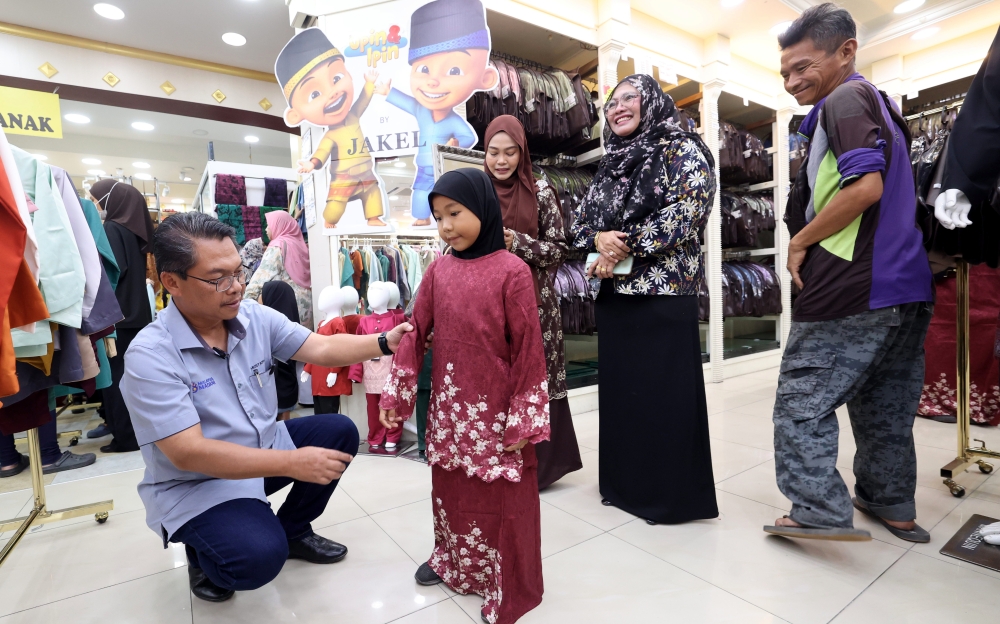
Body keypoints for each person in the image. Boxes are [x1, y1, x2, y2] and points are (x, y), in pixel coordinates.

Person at [120, 212, 412, 603]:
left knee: (338, 431)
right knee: (256, 559)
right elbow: (188, 453)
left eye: (239, 272)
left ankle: (293, 529)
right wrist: (291, 464)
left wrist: (384, 342)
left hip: (261, 449)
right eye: (218, 278)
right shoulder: (151, 355)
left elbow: (321, 347)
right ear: (171, 281)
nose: (236, 287)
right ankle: (202, 549)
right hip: (196, 483)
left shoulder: (253, 317)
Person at [763, 3, 934, 543]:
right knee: (883, 403)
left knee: (801, 401)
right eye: (785, 71)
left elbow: (866, 188)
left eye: (803, 67)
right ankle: (892, 504)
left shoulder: (844, 99)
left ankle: (815, 509)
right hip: (905, 286)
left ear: (846, 52)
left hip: (851, 285)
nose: (792, 81)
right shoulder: (882, 105)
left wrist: (799, 240)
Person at [379, 169, 550, 624]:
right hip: (451, 408)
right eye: (438, 217)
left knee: (502, 498)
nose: (447, 226)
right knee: (452, 490)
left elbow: (530, 349)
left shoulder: (513, 272)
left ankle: (504, 578)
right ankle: (453, 561)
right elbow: (415, 333)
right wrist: (397, 397)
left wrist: (524, 419)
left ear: (483, 209)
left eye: (455, 212)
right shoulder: (437, 270)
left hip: (496, 410)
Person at [570, 74, 719, 525]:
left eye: (628, 98)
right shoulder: (611, 163)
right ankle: (625, 486)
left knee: (664, 396)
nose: (617, 108)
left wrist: (626, 242)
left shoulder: (682, 149)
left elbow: (689, 210)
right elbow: (579, 226)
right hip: (616, 293)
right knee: (625, 396)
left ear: (652, 102)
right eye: (611, 103)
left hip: (664, 291)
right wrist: (599, 237)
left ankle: (669, 498)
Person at [484, 115, 582, 489]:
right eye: (494, 152)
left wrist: (517, 243)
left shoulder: (541, 191)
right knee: (495, 378)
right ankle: (494, 459)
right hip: (488, 307)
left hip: (534, 305)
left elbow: (560, 249)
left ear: (522, 152)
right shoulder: (478, 190)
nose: (502, 161)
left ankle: (540, 468)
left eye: (511, 152)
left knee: (534, 378)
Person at [375, 0, 498, 226]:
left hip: (442, 166)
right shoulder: (421, 110)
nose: (433, 81)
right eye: (423, 69)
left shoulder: (453, 120)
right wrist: (388, 92)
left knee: (447, 198)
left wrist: (454, 146)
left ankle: (437, 222)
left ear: (485, 78)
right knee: (420, 190)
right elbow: (406, 103)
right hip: (423, 163)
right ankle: (422, 218)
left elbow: (469, 137)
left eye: (453, 70)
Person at [276, 28, 386, 229]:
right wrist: (311, 164)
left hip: (367, 173)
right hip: (343, 178)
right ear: (296, 115)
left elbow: (363, 101)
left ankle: (373, 217)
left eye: (336, 78)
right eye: (314, 94)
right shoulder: (330, 135)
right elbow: (322, 152)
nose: (332, 93)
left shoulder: (353, 116)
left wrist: (369, 84)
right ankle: (329, 221)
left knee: (373, 193)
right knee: (335, 207)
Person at [91, 179, 155, 453]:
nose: (94, 205)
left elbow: (111, 277)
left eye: (96, 199)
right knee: (132, 379)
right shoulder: (132, 233)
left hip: (119, 318)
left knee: (116, 379)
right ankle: (131, 433)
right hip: (135, 316)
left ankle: (125, 437)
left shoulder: (113, 230)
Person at [244, 210, 314, 330]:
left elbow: (261, 276)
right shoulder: (301, 245)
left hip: (288, 308)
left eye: (269, 225)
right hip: (308, 309)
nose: (266, 229)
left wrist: (245, 305)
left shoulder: (277, 246)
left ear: (278, 226)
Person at [260, 281, 301, 421]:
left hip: (274, 393)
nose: (259, 298)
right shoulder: (293, 329)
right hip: (288, 390)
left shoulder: (266, 330)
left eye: (262, 294)